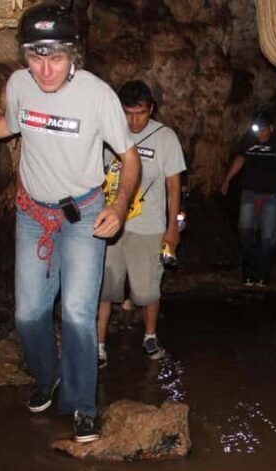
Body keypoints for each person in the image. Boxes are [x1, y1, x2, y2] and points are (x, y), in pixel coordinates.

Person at [0, 2, 140, 443]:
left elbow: (129, 156)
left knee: (77, 313)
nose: (46, 69)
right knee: (29, 313)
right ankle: (46, 376)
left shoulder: (97, 96)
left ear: (73, 54)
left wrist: (120, 203)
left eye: (55, 57)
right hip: (34, 214)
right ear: (25, 55)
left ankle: (83, 405)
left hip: (85, 214)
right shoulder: (20, 83)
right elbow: (11, 122)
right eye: (36, 56)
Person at [97, 80, 186, 367]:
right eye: (128, 113)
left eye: (141, 113)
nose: (135, 121)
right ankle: (98, 345)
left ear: (151, 110)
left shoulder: (165, 137)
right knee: (104, 288)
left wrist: (172, 228)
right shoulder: (107, 134)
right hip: (111, 225)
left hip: (148, 226)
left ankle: (150, 336)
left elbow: (174, 185)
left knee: (147, 290)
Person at [221, 110, 276, 287]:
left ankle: (262, 274)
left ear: (271, 128)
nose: (259, 134)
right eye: (257, 130)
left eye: (263, 130)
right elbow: (240, 159)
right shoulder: (249, 141)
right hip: (250, 192)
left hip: (273, 195)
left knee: (268, 238)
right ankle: (249, 273)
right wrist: (227, 179)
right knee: (245, 233)